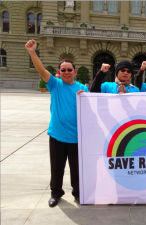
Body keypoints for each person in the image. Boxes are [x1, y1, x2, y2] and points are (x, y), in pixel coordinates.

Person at [25, 39, 89, 207]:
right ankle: (56, 193)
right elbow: (41, 70)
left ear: (75, 72)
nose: (66, 72)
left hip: (77, 137)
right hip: (57, 135)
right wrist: (32, 52)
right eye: (63, 70)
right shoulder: (55, 84)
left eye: (69, 70)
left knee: (76, 169)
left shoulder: (83, 88)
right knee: (57, 167)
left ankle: (78, 193)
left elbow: (92, 110)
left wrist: (86, 97)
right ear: (59, 73)